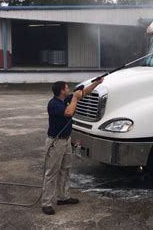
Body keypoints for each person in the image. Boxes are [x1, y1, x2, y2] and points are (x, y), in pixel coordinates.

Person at [42, 78, 103, 215]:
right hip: (55, 143)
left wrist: (97, 83)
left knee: (66, 169)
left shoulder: (67, 98)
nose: (69, 89)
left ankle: (63, 197)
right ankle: (46, 203)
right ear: (62, 91)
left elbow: (84, 93)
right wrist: (75, 98)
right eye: (67, 88)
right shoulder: (53, 104)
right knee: (52, 172)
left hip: (66, 141)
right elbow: (69, 113)